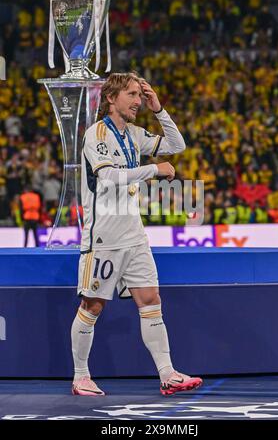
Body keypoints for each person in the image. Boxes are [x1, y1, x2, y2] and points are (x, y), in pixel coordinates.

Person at [71, 72, 203, 396]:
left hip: (134, 235)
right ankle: (80, 377)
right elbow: (110, 178)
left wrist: (159, 109)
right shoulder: (96, 134)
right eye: (132, 94)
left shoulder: (133, 133)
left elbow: (177, 145)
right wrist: (153, 170)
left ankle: (168, 374)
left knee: (151, 300)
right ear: (112, 98)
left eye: (140, 96)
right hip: (103, 237)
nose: (138, 101)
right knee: (93, 305)